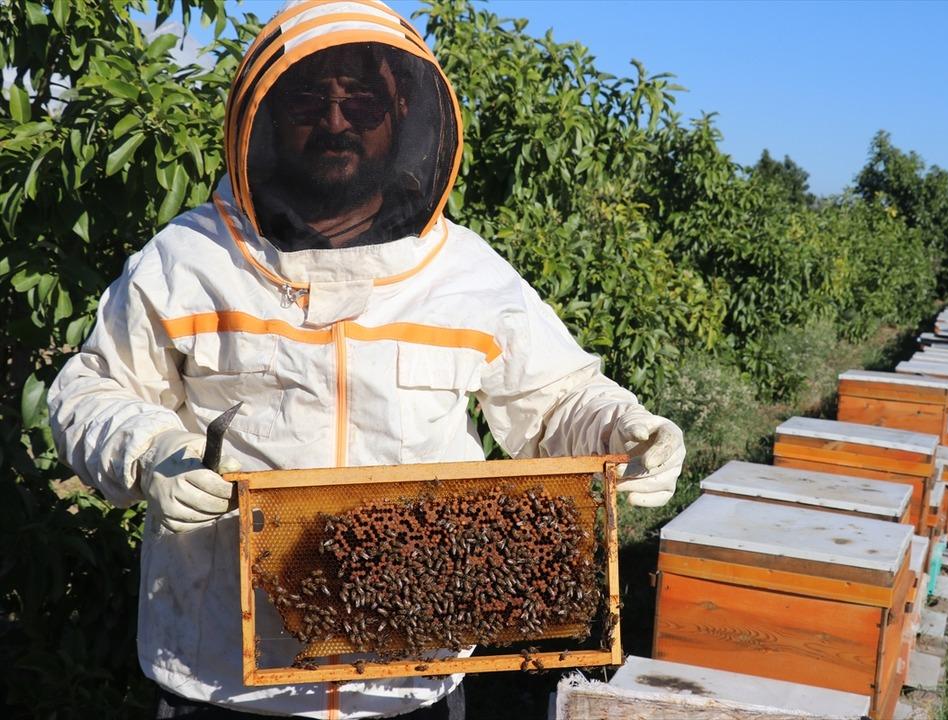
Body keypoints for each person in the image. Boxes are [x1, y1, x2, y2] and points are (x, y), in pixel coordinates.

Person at [47, 1, 684, 718]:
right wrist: (148, 451)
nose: (337, 120)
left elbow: (556, 401)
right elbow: (90, 388)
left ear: (405, 117)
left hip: (411, 686)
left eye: (363, 100)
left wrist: (623, 431)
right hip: (223, 681)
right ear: (263, 117)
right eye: (310, 98)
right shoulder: (188, 261)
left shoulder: (467, 274)